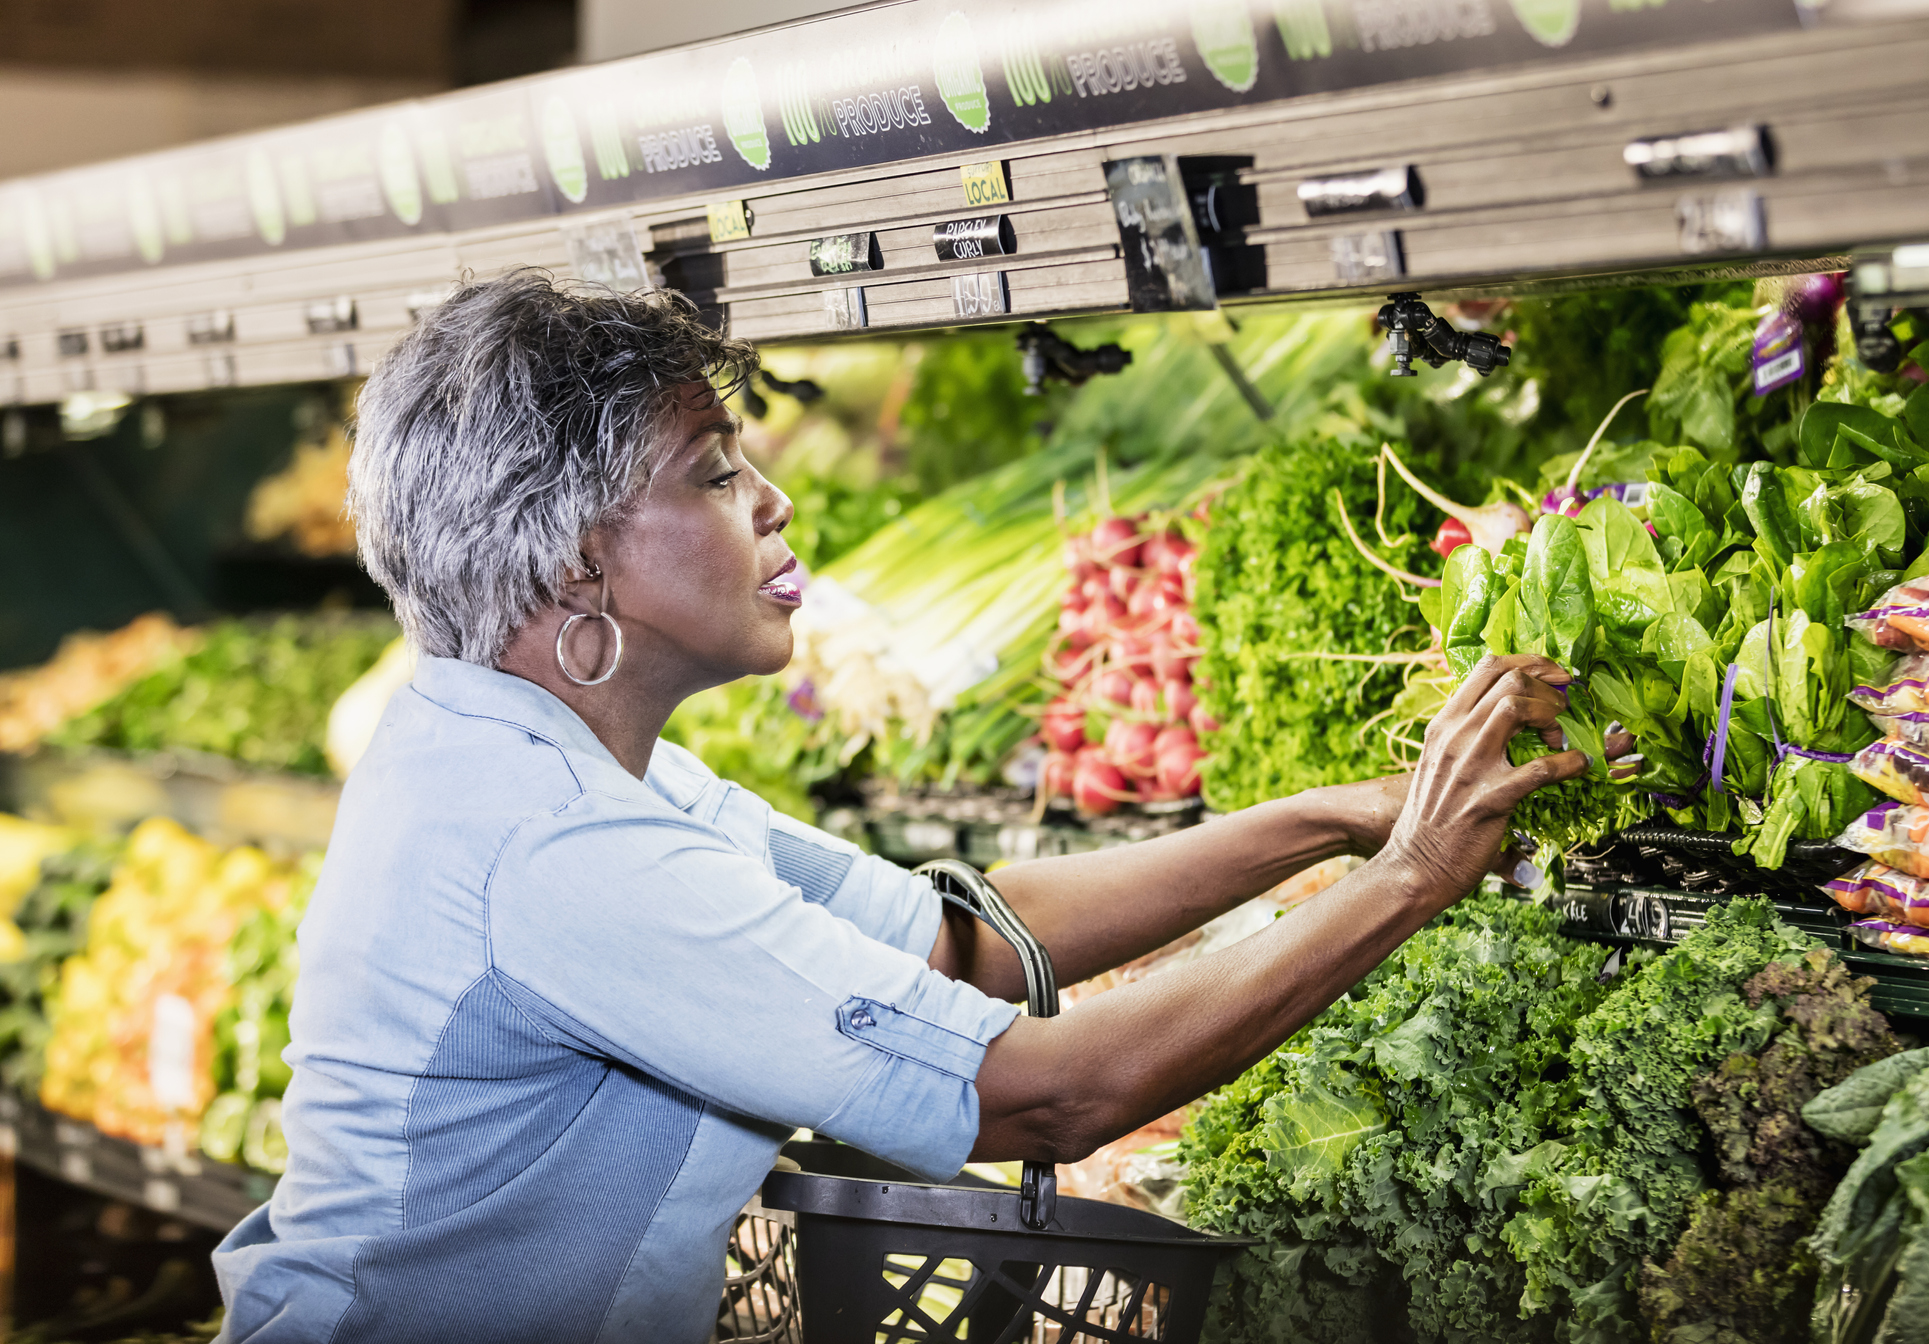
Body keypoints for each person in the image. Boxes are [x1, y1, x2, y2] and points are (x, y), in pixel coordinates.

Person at [210, 271, 1614, 1343]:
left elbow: (965, 947)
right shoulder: (556, 844)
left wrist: (1331, 817)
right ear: (577, 561)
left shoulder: (566, 764)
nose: (770, 500)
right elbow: (1054, 1093)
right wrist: (1409, 878)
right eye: (712, 470)